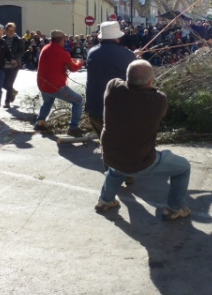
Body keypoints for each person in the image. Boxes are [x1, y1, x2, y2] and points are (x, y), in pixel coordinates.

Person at [95, 60, 192, 220]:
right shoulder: (159, 100)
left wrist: (134, 63)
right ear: (151, 81)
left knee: (117, 168)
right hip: (140, 161)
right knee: (183, 167)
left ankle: (105, 200)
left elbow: (124, 82)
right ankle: (175, 209)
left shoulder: (112, 87)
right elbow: (151, 92)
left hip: (110, 154)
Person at [85, 21, 137, 137]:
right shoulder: (128, 54)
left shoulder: (92, 52)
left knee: (106, 144)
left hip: (94, 108)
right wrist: (134, 56)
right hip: (117, 110)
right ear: (118, 37)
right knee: (119, 146)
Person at [34, 30, 85, 136]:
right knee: (78, 100)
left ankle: (40, 123)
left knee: (47, 102)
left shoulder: (45, 48)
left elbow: (59, 61)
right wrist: (80, 63)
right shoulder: (63, 53)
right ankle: (73, 128)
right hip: (55, 86)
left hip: (43, 84)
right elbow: (73, 68)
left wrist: (70, 60)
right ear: (61, 39)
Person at [1, 22, 25, 108]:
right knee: (2, 83)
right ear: (6, 30)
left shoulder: (18, 40)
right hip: (3, 64)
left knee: (9, 83)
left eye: (13, 30)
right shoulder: (2, 39)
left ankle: (7, 102)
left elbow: (22, 51)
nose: (11, 32)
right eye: (9, 30)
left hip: (14, 65)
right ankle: (13, 91)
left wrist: (14, 58)